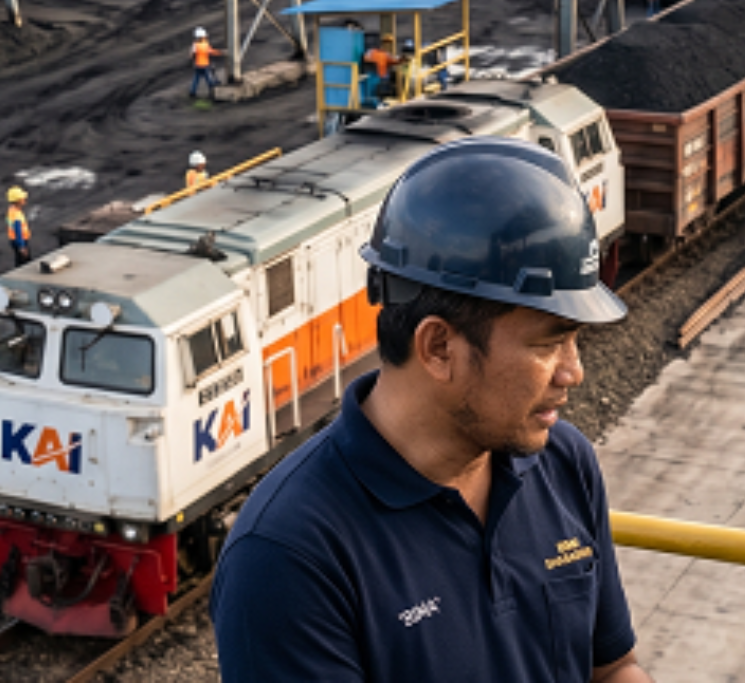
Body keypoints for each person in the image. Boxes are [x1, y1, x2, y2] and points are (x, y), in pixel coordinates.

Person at [211, 136, 652, 683]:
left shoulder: (564, 462)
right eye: (547, 344)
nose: (574, 372)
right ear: (439, 348)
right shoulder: (288, 555)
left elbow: (611, 669)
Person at [189, 27, 223, 100]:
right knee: (209, 79)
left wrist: (193, 60)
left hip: (197, 65)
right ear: (203, 37)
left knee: (196, 79)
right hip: (205, 65)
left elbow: (191, 54)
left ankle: (192, 92)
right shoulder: (205, 44)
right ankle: (212, 91)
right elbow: (211, 52)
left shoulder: (195, 45)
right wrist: (220, 53)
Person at [6, 186, 30, 267]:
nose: (24, 199)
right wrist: (22, 246)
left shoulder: (11, 210)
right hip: (20, 241)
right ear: (18, 201)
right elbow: (18, 231)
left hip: (13, 240)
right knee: (24, 261)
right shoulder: (17, 215)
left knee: (19, 259)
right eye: (23, 198)